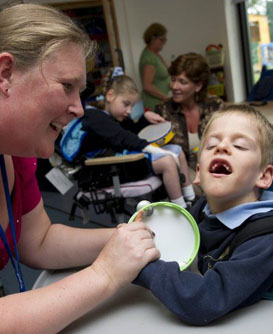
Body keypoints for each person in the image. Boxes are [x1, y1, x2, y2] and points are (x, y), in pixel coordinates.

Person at [0, 3, 161, 334]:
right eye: (67, 87)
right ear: (5, 73)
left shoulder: (16, 152)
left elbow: (38, 241)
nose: (78, 108)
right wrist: (104, 274)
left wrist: (128, 238)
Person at [134, 103, 273, 325]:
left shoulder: (265, 237)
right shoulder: (202, 207)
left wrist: (143, 266)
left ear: (264, 177)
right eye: (211, 145)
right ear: (198, 173)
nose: (222, 147)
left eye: (239, 145)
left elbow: (206, 300)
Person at [78, 68, 195, 208]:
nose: (129, 111)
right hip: (108, 169)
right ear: (110, 95)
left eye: (132, 106)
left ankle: (191, 198)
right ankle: (182, 209)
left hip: (122, 162)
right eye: (126, 104)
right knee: (167, 161)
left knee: (177, 150)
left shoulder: (116, 118)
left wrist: (144, 119)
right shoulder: (95, 117)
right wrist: (155, 150)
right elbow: (123, 137)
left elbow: (132, 133)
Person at [155, 52, 223, 183]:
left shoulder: (214, 107)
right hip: (183, 175)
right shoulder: (163, 111)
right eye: (173, 79)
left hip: (215, 169)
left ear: (198, 86)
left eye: (182, 82)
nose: (174, 87)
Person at [139, 23, 170, 111]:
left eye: (165, 40)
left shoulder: (155, 54)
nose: (164, 43)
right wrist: (166, 98)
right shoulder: (149, 58)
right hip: (155, 105)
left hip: (160, 102)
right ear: (153, 38)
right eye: (162, 40)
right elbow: (147, 86)